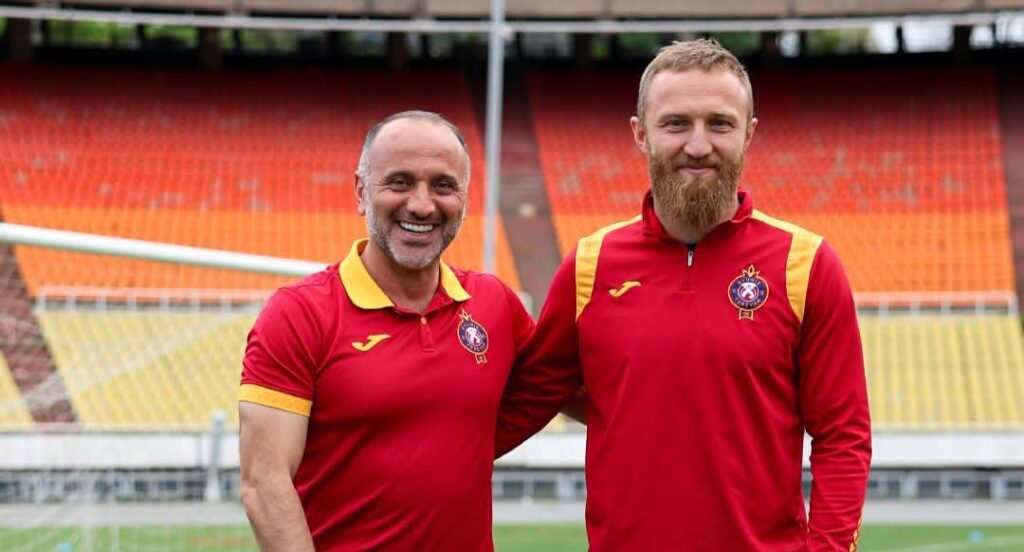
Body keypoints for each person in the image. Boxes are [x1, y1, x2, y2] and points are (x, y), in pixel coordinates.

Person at [495, 39, 871, 551]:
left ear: (748, 134)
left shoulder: (807, 265)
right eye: (675, 124)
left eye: (720, 124)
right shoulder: (590, 266)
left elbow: (843, 436)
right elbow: (521, 405)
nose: (698, 145)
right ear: (640, 133)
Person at [238, 110, 533, 551]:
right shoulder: (298, 314)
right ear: (361, 192)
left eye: (443, 185)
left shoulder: (495, 304)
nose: (422, 205)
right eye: (399, 182)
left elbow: (585, 389)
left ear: (465, 199)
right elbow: (264, 483)